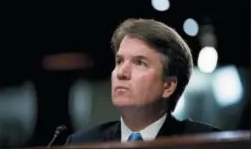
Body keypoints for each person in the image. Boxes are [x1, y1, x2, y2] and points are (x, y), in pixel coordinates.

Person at [64, 18, 220, 145]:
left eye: (139, 63)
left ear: (168, 86)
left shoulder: (207, 142)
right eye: (119, 61)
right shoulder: (82, 144)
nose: (121, 73)